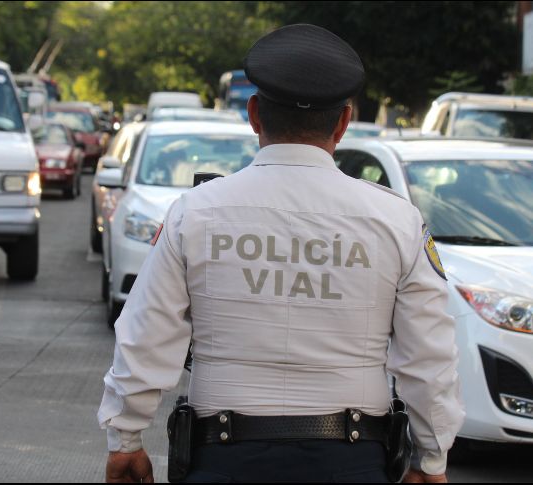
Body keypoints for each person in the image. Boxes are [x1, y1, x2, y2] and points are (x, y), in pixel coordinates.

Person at [98, 24, 464, 483]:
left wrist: (126, 438)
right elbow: (429, 357)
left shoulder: (195, 213)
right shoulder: (396, 221)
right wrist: (430, 459)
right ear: (344, 123)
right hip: (354, 462)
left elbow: (145, 334)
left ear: (253, 114)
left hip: (223, 460)